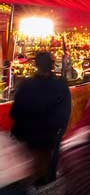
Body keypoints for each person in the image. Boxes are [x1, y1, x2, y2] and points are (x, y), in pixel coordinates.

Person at [10, 52, 71, 185]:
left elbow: (15, 112)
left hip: (30, 139)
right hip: (48, 139)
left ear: (36, 65)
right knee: (45, 177)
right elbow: (64, 115)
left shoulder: (26, 85)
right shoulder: (60, 85)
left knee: (31, 175)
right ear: (52, 65)